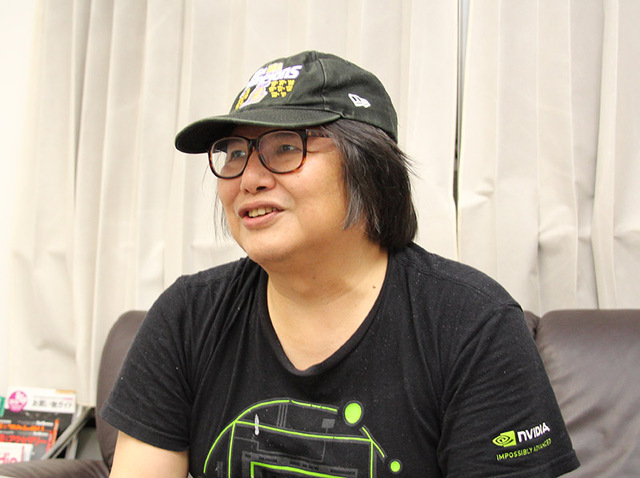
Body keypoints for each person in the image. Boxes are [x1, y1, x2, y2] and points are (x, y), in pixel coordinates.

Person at [102, 50, 580, 477]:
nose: (248, 178)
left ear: (369, 167)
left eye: (285, 147)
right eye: (235, 153)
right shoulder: (187, 317)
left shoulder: (471, 324)